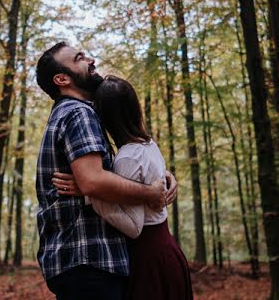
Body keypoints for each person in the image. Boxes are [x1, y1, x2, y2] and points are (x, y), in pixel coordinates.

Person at [35, 42, 178, 300]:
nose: (90, 60)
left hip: (81, 262)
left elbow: (97, 179)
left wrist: (162, 177)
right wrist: (149, 193)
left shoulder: (70, 114)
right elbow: (93, 181)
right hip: (88, 259)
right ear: (62, 78)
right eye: (79, 58)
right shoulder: (79, 114)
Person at [58, 76, 193, 300]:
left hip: (147, 257)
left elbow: (134, 227)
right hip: (166, 252)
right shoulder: (148, 144)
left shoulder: (127, 157)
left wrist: (93, 193)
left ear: (102, 118)